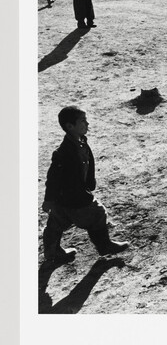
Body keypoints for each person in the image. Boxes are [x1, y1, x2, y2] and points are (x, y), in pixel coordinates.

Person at [41, 106, 130, 264]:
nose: (87, 124)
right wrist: (49, 200)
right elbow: (53, 178)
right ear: (70, 126)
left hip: (64, 198)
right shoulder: (63, 152)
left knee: (56, 222)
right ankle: (104, 246)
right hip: (74, 196)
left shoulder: (81, 142)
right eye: (83, 121)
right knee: (98, 214)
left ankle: (52, 252)